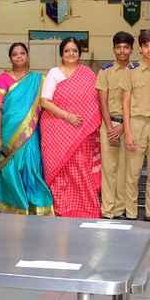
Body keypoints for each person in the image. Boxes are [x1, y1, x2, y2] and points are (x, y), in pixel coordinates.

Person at [40, 37, 102, 218]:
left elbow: (95, 103)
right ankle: (62, 206)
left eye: (74, 50)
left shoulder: (87, 74)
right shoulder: (54, 73)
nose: (71, 53)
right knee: (60, 171)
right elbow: (44, 102)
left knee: (81, 169)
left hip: (82, 131)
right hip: (56, 130)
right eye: (67, 50)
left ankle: (84, 208)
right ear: (61, 53)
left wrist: (83, 122)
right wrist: (68, 116)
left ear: (79, 53)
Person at [0, 43, 54, 215]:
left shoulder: (38, 80)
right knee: (10, 168)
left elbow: (47, 104)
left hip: (31, 132)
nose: (19, 56)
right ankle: (14, 206)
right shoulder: (2, 79)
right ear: (10, 58)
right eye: (15, 54)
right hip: (7, 132)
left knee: (31, 166)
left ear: (27, 56)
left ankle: (36, 205)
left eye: (22, 53)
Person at [122, 30, 150, 222]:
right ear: (140, 49)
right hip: (137, 123)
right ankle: (131, 213)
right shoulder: (131, 71)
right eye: (146, 45)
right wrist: (128, 132)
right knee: (133, 173)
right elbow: (125, 103)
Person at [96, 32, 133, 219]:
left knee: (125, 169)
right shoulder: (105, 71)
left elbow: (137, 102)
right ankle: (108, 210)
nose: (122, 51)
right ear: (113, 49)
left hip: (130, 126)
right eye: (118, 47)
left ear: (131, 50)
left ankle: (120, 209)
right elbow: (102, 102)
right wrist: (110, 127)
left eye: (126, 47)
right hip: (108, 124)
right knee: (109, 169)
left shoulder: (135, 71)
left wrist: (123, 127)